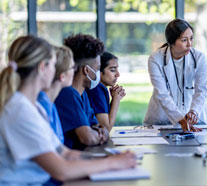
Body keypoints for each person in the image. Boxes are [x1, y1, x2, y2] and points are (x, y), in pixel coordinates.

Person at [0, 36, 136, 185]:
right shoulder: (20, 111)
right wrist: (112, 164)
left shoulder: (34, 108)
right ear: (42, 68)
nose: (58, 71)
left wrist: (111, 159)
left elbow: (65, 153)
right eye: (53, 65)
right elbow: (61, 170)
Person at [144, 18, 207, 132]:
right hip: (163, 118)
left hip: (196, 117)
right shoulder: (155, 59)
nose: (189, 44)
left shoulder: (199, 57)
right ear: (172, 41)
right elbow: (162, 94)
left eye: (191, 38)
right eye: (184, 40)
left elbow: (201, 90)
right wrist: (180, 120)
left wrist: (194, 112)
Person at [55, 33, 109, 150]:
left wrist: (99, 131)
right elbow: (88, 138)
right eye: (98, 69)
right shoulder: (68, 94)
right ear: (87, 70)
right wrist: (100, 135)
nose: (99, 74)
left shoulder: (83, 94)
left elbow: (99, 126)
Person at [37, 46, 75, 143]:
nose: (75, 71)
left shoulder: (50, 104)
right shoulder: (42, 106)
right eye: (72, 67)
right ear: (62, 76)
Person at [87, 51, 125, 132]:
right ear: (99, 71)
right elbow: (106, 129)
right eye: (112, 70)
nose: (118, 74)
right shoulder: (97, 89)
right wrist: (116, 99)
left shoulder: (101, 88)